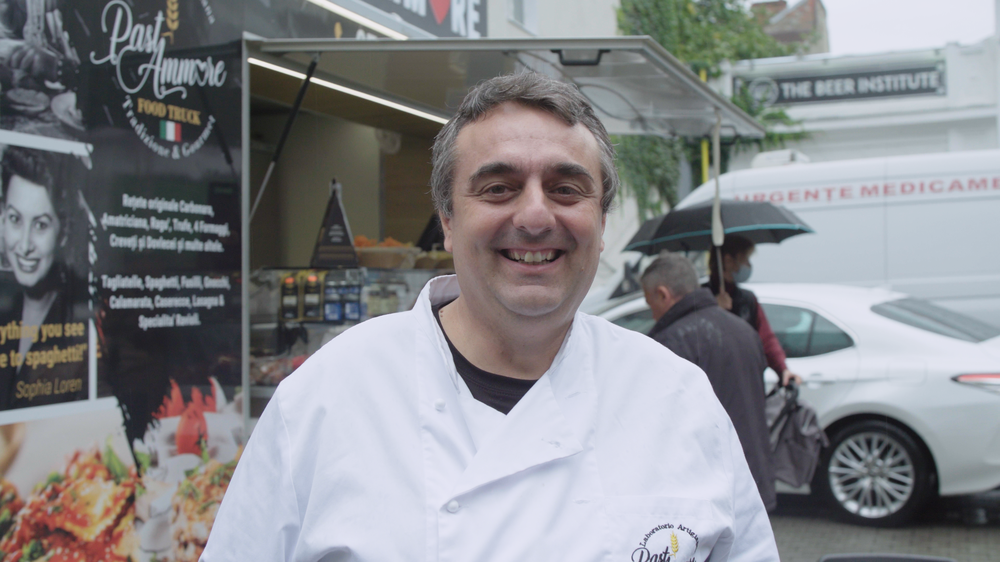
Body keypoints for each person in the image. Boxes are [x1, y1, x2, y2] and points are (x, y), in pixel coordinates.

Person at [203, 73, 778, 562]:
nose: (534, 215)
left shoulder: (677, 398)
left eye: (566, 189)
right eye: (498, 188)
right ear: (447, 222)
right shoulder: (325, 399)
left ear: (601, 223)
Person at [643, 251, 776, 512]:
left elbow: (666, 426)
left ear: (662, 294)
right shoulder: (744, 330)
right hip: (754, 477)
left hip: (709, 488)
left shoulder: (670, 343)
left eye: (650, 305)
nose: (652, 315)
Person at [0, 147, 88, 409]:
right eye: (15, 219)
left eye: (40, 225)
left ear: (63, 232)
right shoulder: (5, 304)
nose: (25, 245)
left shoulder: (83, 316)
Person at [707, 236, 801, 387]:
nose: (748, 266)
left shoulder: (747, 299)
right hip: (715, 384)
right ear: (728, 260)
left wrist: (782, 369)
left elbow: (766, 338)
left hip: (747, 383)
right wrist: (714, 309)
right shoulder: (700, 297)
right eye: (745, 259)